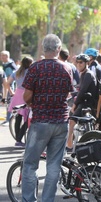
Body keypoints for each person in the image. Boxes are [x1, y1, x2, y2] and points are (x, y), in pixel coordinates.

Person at [21, 34, 74, 201]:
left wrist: (34, 101)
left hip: (41, 121)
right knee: (54, 166)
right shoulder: (67, 68)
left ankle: (29, 199)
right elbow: (68, 93)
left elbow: (27, 96)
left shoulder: (35, 68)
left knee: (30, 165)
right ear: (58, 49)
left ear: (43, 49)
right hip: (61, 122)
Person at [66, 54, 98, 151]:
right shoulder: (83, 74)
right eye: (77, 62)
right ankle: (71, 142)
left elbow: (83, 90)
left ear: (87, 63)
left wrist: (74, 105)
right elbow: (80, 89)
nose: (78, 64)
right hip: (84, 101)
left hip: (87, 104)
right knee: (71, 119)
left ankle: (69, 146)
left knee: (71, 121)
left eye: (81, 62)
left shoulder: (88, 74)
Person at [6, 56, 33, 148]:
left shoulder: (16, 72)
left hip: (17, 94)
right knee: (27, 119)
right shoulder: (31, 72)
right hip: (26, 94)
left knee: (18, 118)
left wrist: (11, 92)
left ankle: (18, 140)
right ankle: (19, 139)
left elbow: (7, 83)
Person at [1, 50, 17, 125]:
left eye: (2, 56)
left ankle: (9, 120)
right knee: (7, 102)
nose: (1, 57)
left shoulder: (11, 64)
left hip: (10, 85)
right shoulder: (5, 64)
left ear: (7, 56)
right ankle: (8, 118)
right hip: (5, 84)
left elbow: (15, 73)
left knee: (9, 102)